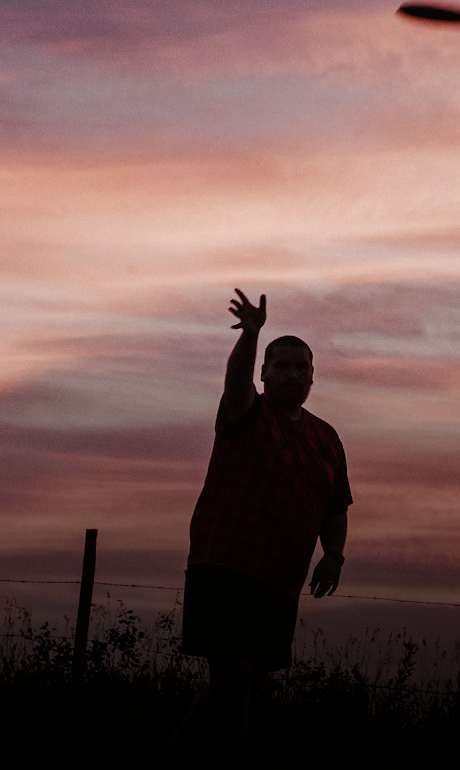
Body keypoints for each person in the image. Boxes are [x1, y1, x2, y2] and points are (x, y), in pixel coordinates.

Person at [166, 289, 352, 766]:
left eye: (301, 367)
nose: (292, 374)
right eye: (281, 365)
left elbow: (336, 507)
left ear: (313, 376)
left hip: (280, 579)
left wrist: (333, 555)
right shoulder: (246, 414)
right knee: (232, 683)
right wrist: (251, 336)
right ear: (264, 373)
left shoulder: (326, 438)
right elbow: (235, 387)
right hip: (227, 563)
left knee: (245, 685)